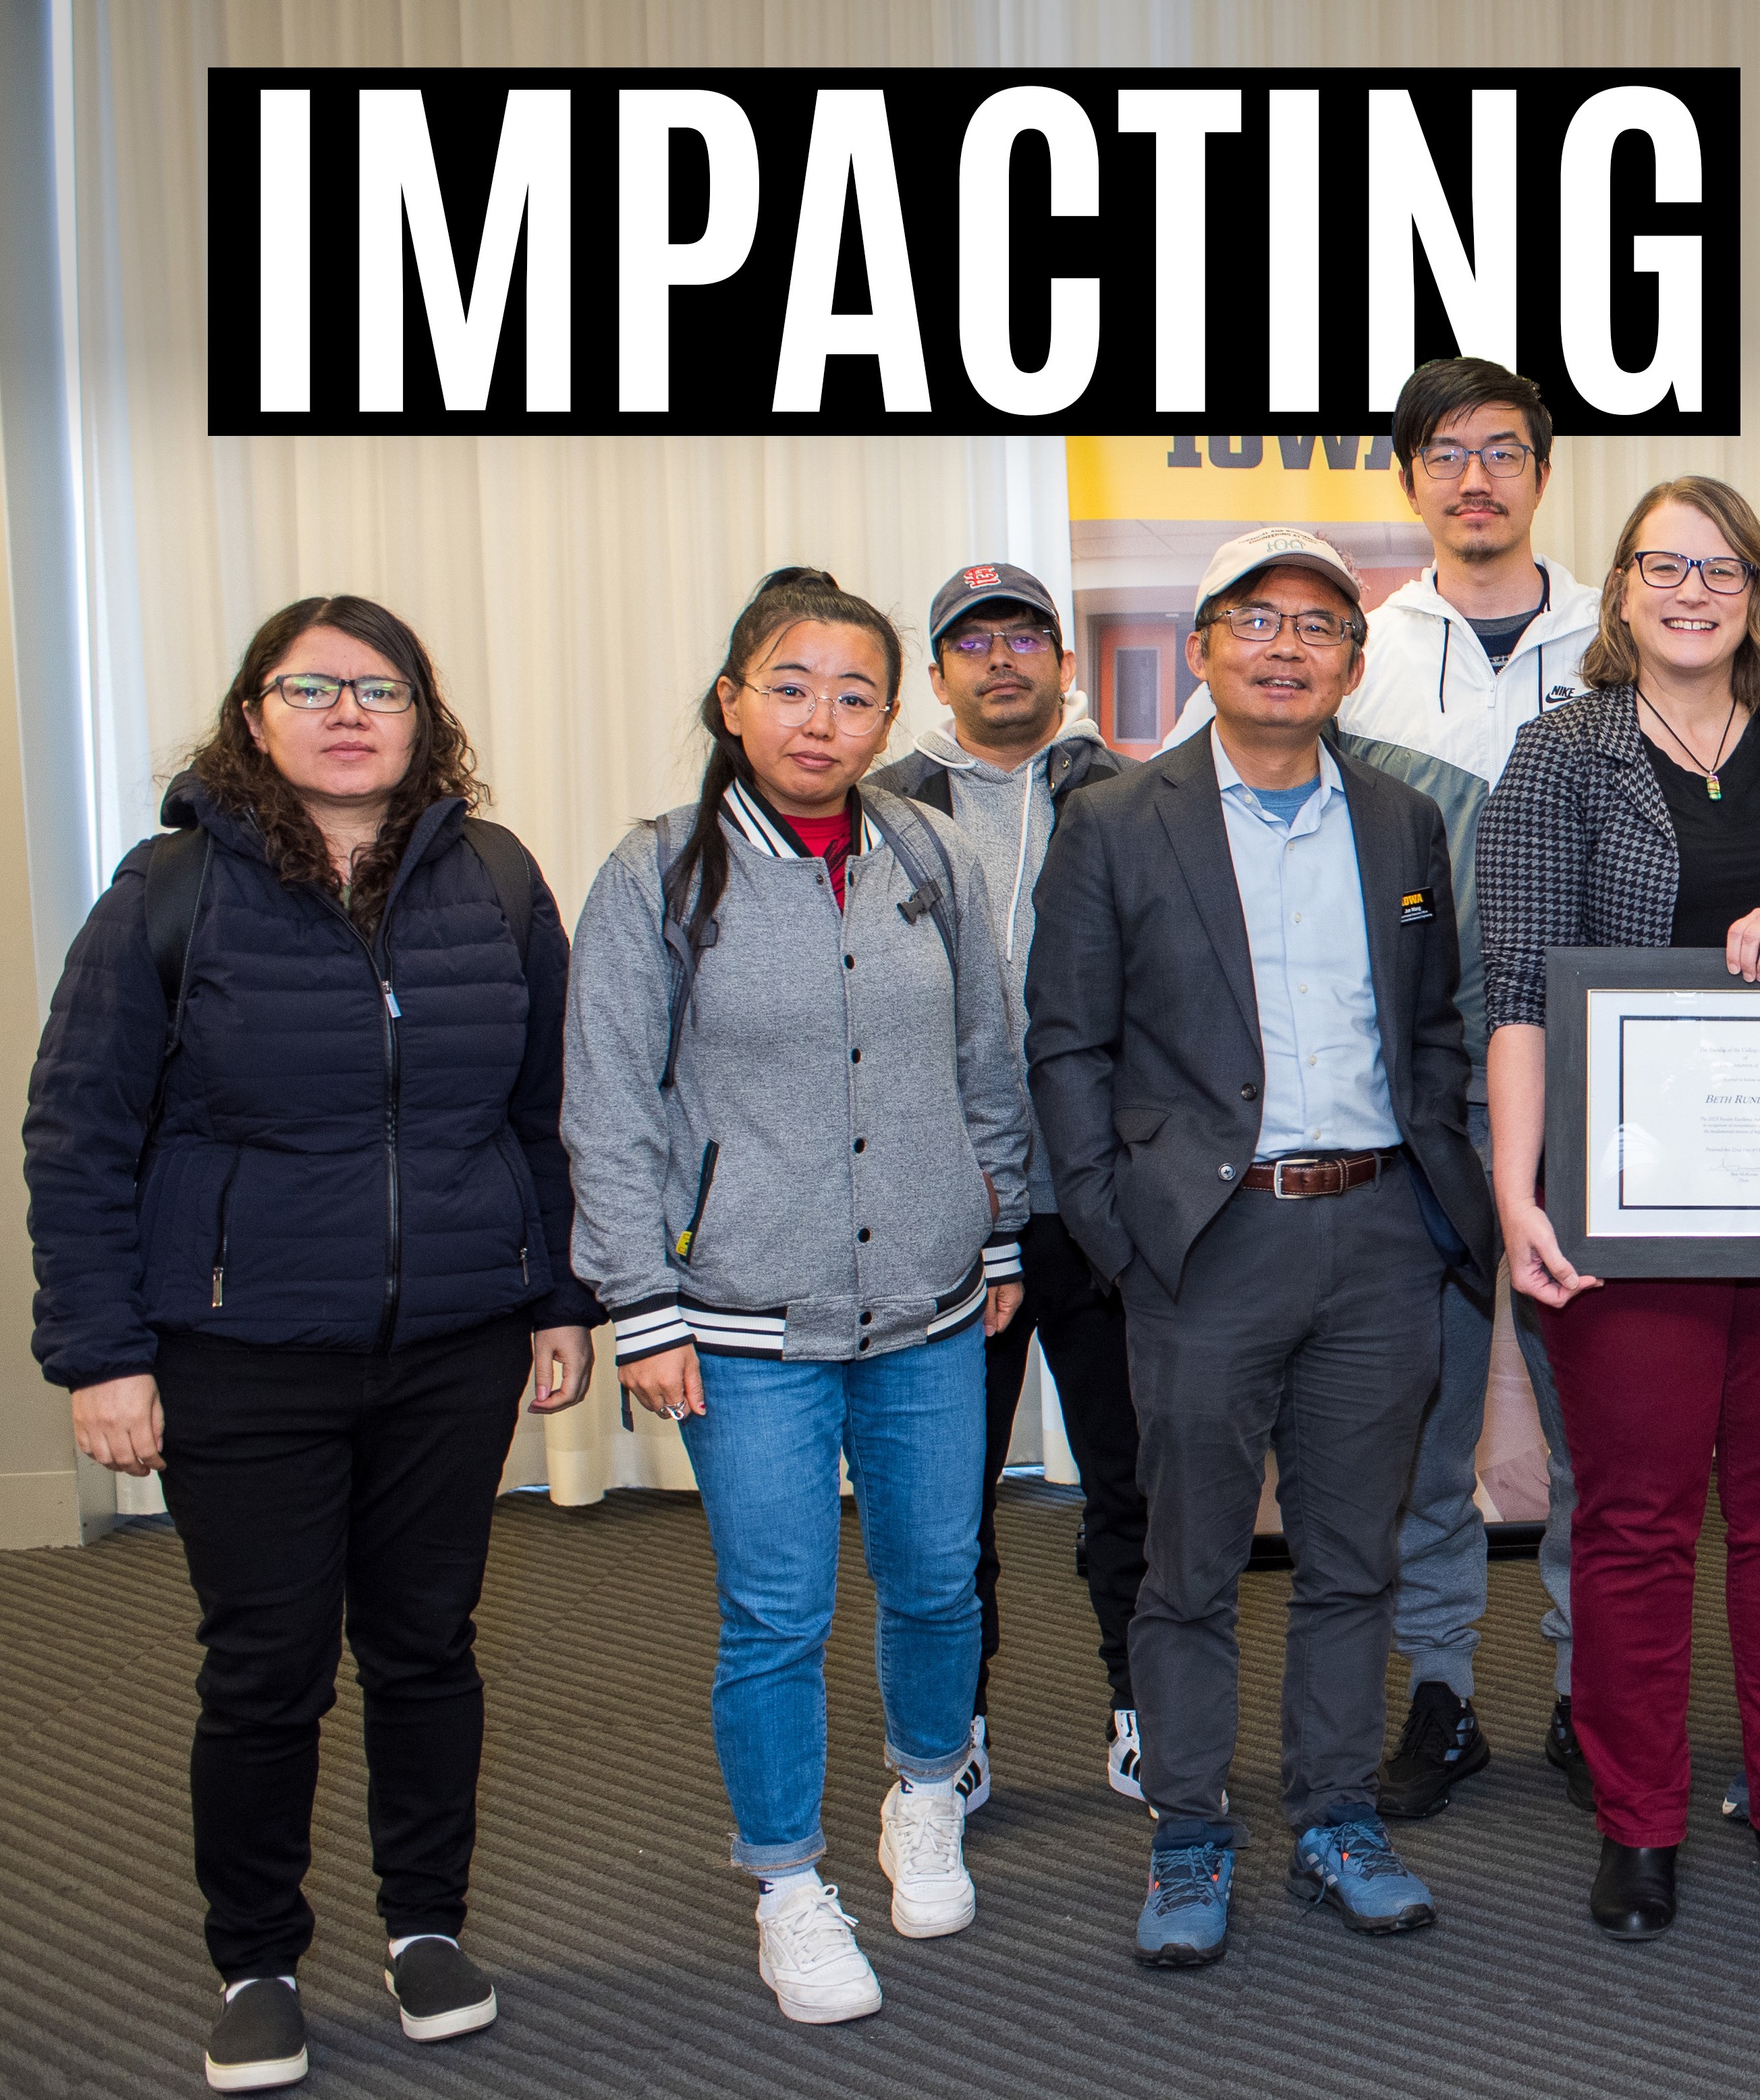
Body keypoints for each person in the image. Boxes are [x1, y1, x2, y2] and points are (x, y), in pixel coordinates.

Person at [32, 597, 595, 2092]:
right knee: (267, 1664)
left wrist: (559, 1294)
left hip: (455, 1341)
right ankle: (259, 1955)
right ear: (256, 712)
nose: (350, 712)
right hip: (240, 1345)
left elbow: (545, 1112)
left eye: (382, 688)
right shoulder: (169, 889)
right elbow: (78, 1130)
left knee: (425, 1647)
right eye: (313, 686)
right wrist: (101, 1348)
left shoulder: (493, 877)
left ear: (424, 716)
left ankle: (427, 1926)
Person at [565, 568, 1032, 2026]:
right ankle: (785, 1879)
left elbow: (984, 1056)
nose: (822, 717)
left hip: (932, 1298)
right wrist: (639, 1298)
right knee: (775, 1608)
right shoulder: (657, 872)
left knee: (939, 1572)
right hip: (739, 1315)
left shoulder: (928, 850)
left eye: (853, 693)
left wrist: (1002, 1226)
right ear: (731, 700)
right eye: (790, 684)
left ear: (890, 712)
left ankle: (921, 1788)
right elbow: (609, 1102)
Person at [1026, 526, 1495, 1968]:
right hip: (1204, 1243)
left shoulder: (1402, 823)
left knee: (1355, 1556)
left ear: (1354, 662)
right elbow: (1065, 1042)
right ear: (1207, 646)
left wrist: (1437, 1206)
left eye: (1317, 625)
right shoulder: (1117, 818)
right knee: (1189, 1564)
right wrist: (1121, 1228)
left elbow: (1430, 1027)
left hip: (1376, 1234)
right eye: (1256, 621)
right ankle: (1186, 1832)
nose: (1286, 646)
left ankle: (1335, 1815)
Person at [1477, 476, 1760, 1940]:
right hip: (1628, 1205)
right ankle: (1640, 1820)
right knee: (1635, 1518)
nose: (1691, 590)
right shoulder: (1559, 755)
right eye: (1663, 565)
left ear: (1755, 589)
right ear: (1618, 589)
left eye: (1721, 566)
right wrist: (1518, 1204)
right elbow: (1518, 999)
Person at [1241, 359, 1602, 1824]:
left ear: (1539, 470)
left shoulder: (1623, 637)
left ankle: (1595, 1692)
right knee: (1427, 1423)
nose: (1475, 480)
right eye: (1444, 455)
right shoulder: (1364, 653)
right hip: (1427, 1102)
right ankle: (1441, 1691)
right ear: (1408, 479)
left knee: (1601, 1426)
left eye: (1502, 452)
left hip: (1596, 1094)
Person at [874, 559, 1143, 1811]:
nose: (1001, 659)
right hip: (944, 1216)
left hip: (1099, 1209)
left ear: (1063, 663)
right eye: (972, 642)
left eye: (1024, 636)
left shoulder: (1140, 800)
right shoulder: (875, 813)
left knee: (1132, 1485)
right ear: (937, 675)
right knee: (945, 1511)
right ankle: (956, 1729)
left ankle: (1141, 1708)